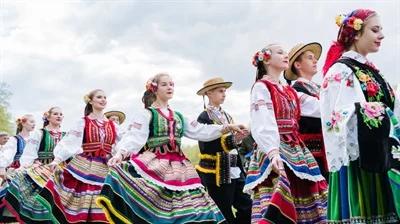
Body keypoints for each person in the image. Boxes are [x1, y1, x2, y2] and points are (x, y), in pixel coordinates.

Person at [97, 73, 245, 224]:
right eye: (165, 84)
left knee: (195, 210)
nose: (170, 87)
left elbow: (201, 131)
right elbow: (134, 138)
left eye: (172, 84)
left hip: (181, 170)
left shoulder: (179, 116)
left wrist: (227, 127)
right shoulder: (147, 114)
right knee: (161, 212)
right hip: (155, 165)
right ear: (154, 89)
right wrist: (120, 154)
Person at [321, 9, 400, 223]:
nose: (381, 36)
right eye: (375, 30)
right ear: (356, 34)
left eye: (381, 30)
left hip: (379, 155)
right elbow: (341, 116)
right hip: (357, 162)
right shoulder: (341, 71)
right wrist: (382, 113)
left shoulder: (369, 69)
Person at [244, 44, 328, 224]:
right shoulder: (262, 87)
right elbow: (263, 120)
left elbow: (319, 107)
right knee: (278, 197)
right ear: (266, 58)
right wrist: (273, 151)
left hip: (296, 149)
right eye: (280, 52)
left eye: (285, 52)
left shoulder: (290, 91)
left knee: (307, 196)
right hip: (275, 148)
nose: (285, 55)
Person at [36, 90, 120, 223]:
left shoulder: (113, 125)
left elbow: (120, 145)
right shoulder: (83, 122)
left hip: (105, 166)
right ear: (91, 101)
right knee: (80, 201)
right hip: (85, 165)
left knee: (104, 199)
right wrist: (57, 160)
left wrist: (120, 155)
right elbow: (69, 142)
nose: (103, 100)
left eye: (105, 97)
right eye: (99, 97)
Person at [196, 77, 252, 224]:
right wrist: (233, 140)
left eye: (225, 91)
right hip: (218, 172)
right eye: (220, 91)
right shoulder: (204, 117)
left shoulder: (227, 116)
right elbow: (207, 146)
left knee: (247, 207)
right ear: (208, 93)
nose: (224, 94)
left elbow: (232, 143)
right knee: (224, 212)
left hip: (234, 168)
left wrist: (239, 138)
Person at [3, 107, 65, 223]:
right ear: (48, 117)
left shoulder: (67, 135)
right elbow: (29, 153)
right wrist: (27, 166)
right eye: (56, 114)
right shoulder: (39, 133)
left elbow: (73, 152)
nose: (59, 116)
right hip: (42, 167)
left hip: (61, 169)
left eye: (61, 114)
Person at [284, 42, 328, 178]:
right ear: (298, 65)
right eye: (310, 57)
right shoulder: (295, 91)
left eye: (315, 58)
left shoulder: (318, 87)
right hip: (311, 153)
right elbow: (321, 109)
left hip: (326, 151)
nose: (315, 61)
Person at [0, 114, 35, 222]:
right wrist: (1, 168)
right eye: (31, 122)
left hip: (33, 170)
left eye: (35, 122)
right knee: (11, 195)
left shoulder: (35, 138)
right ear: (23, 123)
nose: (34, 124)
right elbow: (7, 155)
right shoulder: (15, 140)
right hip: (17, 170)